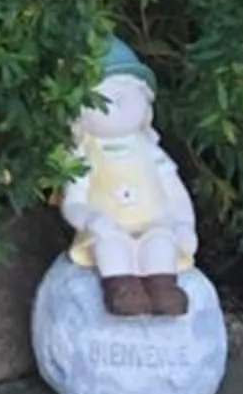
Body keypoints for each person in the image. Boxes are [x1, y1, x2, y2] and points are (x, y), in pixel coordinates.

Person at [59, 38, 198, 318]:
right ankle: (122, 289)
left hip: (155, 222)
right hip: (108, 227)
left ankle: (162, 288)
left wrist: (184, 223)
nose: (117, 102)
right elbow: (73, 200)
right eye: (102, 95)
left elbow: (173, 190)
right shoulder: (85, 156)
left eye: (126, 91)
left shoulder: (149, 152)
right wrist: (90, 219)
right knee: (112, 245)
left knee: (161, 240)